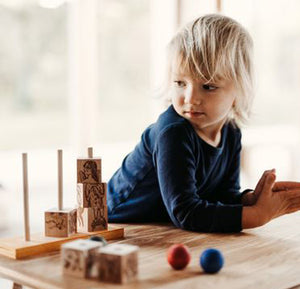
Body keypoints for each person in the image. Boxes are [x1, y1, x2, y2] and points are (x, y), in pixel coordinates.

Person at [107, 14, 300, 232]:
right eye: (180, 83)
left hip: (162, 223)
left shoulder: (231, 132)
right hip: (116, 221)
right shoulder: (173, 133)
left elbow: (224, 196)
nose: (189, 98)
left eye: (207, 86)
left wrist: (251, 199)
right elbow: (186, 212)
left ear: (239, 88)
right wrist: (257, 216)